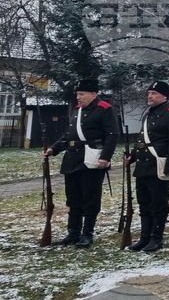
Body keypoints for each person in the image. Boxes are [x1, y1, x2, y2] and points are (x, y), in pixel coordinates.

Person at [43, 78, 119, 248]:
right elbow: (68, 136)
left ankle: (87, 234)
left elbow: (112, 135)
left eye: (82, 94)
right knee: (73, 198)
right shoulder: (77, 110)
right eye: (77, 94)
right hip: (72, 159)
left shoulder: (104, 109)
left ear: (93, 94)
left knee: (90, 198)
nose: (78, 97)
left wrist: (105, 157)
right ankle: (73, 233)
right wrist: (53, 149)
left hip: (91, 159)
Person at [123, 80, 169, 253]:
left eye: (154, 93)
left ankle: (156, 239)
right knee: (144, 204)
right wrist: (132, 156)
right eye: (149, 93)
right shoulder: (149, 114)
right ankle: (145, 238)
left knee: (158, 204)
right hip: (143, 166)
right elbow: (142, 140)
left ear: (164, 96)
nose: (150, 96)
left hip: (159, 166)